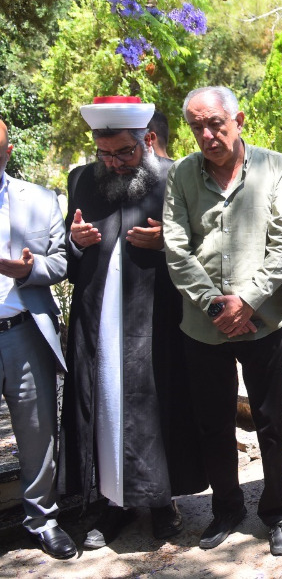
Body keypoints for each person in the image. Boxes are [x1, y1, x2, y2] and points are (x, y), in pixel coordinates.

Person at [61, 97, 206, 549]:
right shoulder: (82, 179)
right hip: (98, 318)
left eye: (124, 152)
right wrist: (74, 240)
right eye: (105, 154)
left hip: (158, 316)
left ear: (147, 141)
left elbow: (205, 243)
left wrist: (168, 242)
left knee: (156, 404)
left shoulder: (175, 176)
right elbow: (66, 253)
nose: (115, 163)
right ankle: (113, 504)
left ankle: (162, 501)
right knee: (105, 404)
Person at [163, 86, 282, 556]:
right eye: (196, 127)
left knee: (271, 422)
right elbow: (176, 248)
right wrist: (215, 306)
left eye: (215, 124)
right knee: (213, 424)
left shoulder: (275, 167)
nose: (206, 135)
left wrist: (247, 301)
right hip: (204, 327)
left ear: (238, 120)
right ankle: (226, 507)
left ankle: (277, 509)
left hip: (263, 322)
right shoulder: (182, 174)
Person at [0, 118, 75, 560]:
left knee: (37, 433)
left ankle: (42, 519)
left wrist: (30, 270)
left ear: (8, 151)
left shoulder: (40, 199)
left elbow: (61, 262)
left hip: (24, 332)